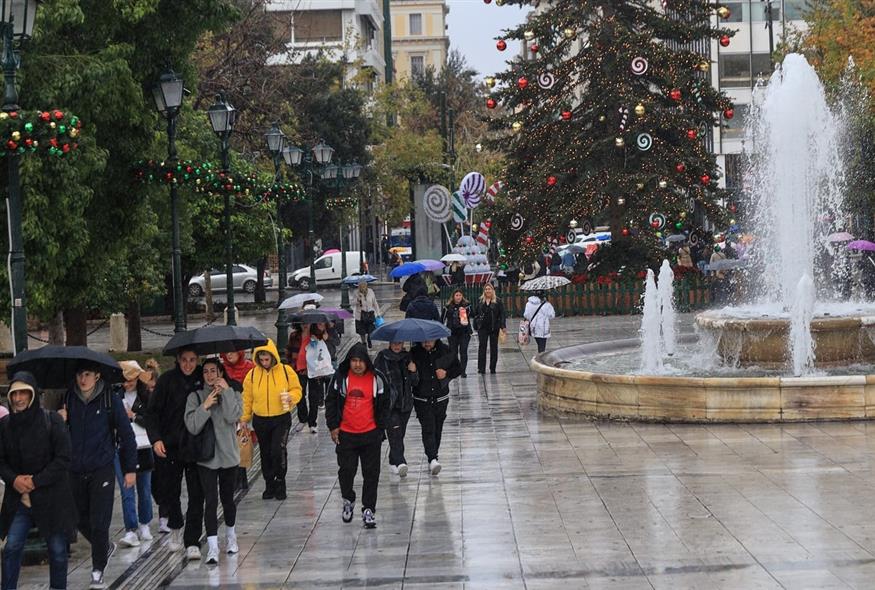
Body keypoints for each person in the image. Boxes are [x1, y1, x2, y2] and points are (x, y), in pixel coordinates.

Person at [62, 362, 137, 589]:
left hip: (101, 468)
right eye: (79, 374)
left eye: (87, 374)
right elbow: (58, 435)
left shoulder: (108, 400)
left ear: (96, 376)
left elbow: (127, 434)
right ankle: (103, 546)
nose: (82, 379)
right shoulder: (68, 399)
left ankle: (97, 572)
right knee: (75, 517)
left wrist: (130, 469)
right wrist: (60, 420)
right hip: (75, 469)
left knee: (99, 521)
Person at [0, 372, 76, 590]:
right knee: (12, 547)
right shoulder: (5, 426)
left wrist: (36, 481)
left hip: (50, 499)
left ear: (33, 395)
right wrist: (14, 479)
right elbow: (1, 460)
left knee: (58, 551)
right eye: (15, 393)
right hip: (19, 500)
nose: (19, 398)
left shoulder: (51, 421)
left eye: (24, 392)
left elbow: (63, 458)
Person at [147, 348, 206, 560]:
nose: (188, 365)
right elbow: (152, 412)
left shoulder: (203, 376)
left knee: (197, 494)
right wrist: (156, 439)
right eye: (184, 360)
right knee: (169, 490)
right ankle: (175, 527)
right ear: (178, 361)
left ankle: (192, 540)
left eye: (192, 360)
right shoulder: (166, 381)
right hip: (171, 445)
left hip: (196, 445)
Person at [325, 344, 390, 529]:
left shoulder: (376, 379)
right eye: (354, 361)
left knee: (371, 474)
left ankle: (368, 509)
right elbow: (331, 401)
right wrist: (333, 426)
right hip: (347, 435)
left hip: (370, 435)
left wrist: (380, 427)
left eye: (361, 361)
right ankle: (348, 499)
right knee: (346, 471)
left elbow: (385, 402)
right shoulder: (341, 378)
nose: (357, 365)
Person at [184, 359, 242, 565]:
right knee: (210, 501)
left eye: (213, 371)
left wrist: (225, 392)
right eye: (206, 372)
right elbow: (192, 425)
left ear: (220, 372)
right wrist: (205, 406)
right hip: (206, 458)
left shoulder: (233, 391)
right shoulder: (196, 397)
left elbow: (233, 416)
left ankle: (231, 537)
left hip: (229, 456)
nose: (210, 375)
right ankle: (213, 546)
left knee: (228, 499)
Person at [241, 339, 302, 500]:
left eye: (267, 359)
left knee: (278, 449)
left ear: (273, 356)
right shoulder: (252, 375)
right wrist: (244, 418)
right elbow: (247, 398)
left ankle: (280, 480)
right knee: (265, 452)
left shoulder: (286, 371)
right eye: (261, 359)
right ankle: (269, 482)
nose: (264, 362)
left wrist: (291, 397)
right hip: (260, 419)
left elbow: (297, 389)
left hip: (281, 418)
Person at [114, 361, 156, 548]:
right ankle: (130, 529)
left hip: (144, 446)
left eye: (130, 380)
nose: (126, 384)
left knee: (144, 489)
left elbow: (153, 420)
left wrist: (133, 416)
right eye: (124, 380)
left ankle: (144, 523)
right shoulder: (115, 397)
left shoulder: (146, 396)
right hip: (122, 447)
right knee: (126, 491)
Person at [409, 339, 460, 475]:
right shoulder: (414, 353)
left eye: (429, 341)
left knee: (437, 429)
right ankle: (432, 458)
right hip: (422, 399)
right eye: (424, 342)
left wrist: (446, 373)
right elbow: (409, 378)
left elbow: (458, 368)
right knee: (428, 428)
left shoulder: (445, 350)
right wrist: (412, 371)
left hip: (441, 398)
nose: (426, 344)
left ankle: (433, 455)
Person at [374, 342, 417, 477]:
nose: (397, 346)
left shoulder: (407, 357)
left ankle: (393, 461)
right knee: (395, 433)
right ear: (390, 343)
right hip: (390, 405)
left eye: (400, 343)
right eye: (394, 343)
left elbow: (415, 382)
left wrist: (413, 370)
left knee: (399, 434)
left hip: (406, 404)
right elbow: (377, 379)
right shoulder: (382, 358)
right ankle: (400, 461)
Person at [305, 323, 335, 433]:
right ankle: (312, 423)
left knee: (331, 395)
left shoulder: (329, 332)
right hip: (314, 373)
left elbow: (334, 346)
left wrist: (328, 338)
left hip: (327, 370)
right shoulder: (310, 337)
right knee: (313, 399)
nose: (321, 326)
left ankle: (331, 419)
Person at [474, 283, 507, 374]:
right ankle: (481, 368)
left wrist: (503, 325)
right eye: (486, 289)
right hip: (483, 327)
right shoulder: (480, 301)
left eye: (489, 289)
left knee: (494, 348)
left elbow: (502, 314)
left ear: (492, 290)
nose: (488, 291)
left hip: (494, 327)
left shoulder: (498, 301)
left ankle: (493, 367)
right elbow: (476, 312)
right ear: (484, 291)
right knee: (482, 347)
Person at [442, 289, 473, 377]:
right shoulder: (448, 306)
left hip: (464, 332)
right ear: (453, 296)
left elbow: (473, 314)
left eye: (460, 295)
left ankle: (463, 371)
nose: (458, 297)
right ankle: (455, 370)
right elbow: (442, 319)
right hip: (452, 333)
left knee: (463, 351)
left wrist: (465, 311)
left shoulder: (466, 305)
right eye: (456, 295)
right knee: (453, 352)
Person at [286, 323, 310, 433]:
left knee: (314, 397)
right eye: (303, 322)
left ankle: (312, 421)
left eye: (307, 322)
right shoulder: (294, 336)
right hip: (298, 369)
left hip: (313, 370)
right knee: (300, 393)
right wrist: (290, 365)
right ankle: (303, 418)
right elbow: (289, 351)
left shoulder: (315, 335)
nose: (305, 325)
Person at [353, 280, 382, 348]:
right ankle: (364, 343)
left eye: (364, 286)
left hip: (370, 314)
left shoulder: (370, 291)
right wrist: (358, 299)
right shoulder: (356, 292)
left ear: (366, 286)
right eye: (361, 286)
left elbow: (375, 302)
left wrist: (378, 313)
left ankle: (369, 339)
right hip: (360, 315)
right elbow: (353, 303)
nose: (362, 288)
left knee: (371, 330)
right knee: (362, 331)